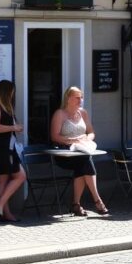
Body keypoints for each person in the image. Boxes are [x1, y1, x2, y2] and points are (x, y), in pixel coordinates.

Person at [50, 86, 108, 216]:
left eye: (81, 97)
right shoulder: (60, 113)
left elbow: (91, 132)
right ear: (68, 98)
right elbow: (54, 136)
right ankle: (97, 200)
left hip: (81, 151)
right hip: (65, 154)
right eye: (77, 97)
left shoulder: (83, 113)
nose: (80, 100)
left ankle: (76, 204)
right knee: (85, 161)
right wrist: (72, 140)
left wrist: (87, 138)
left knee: (83, 163)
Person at [0, 80, 27, 222]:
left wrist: (14, 127)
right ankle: (0, 205)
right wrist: (13, 128)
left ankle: (4, 213)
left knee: (3, 179)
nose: (13, 95)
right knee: (20, 176)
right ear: (7, 91)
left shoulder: (5, 106)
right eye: (12, 92)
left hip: (7, 146)